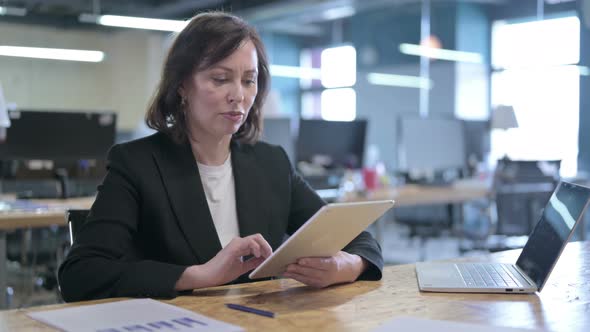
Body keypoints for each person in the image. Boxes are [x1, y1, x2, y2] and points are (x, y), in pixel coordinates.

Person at [58, 11, 383, 302]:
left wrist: (347, 265)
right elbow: (81, 274)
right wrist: (199, 275)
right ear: (182, 85)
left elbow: (360, 240)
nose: (238, 95)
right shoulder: (138, 164)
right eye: (220, 79)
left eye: (249, 80)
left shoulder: (271, 163)